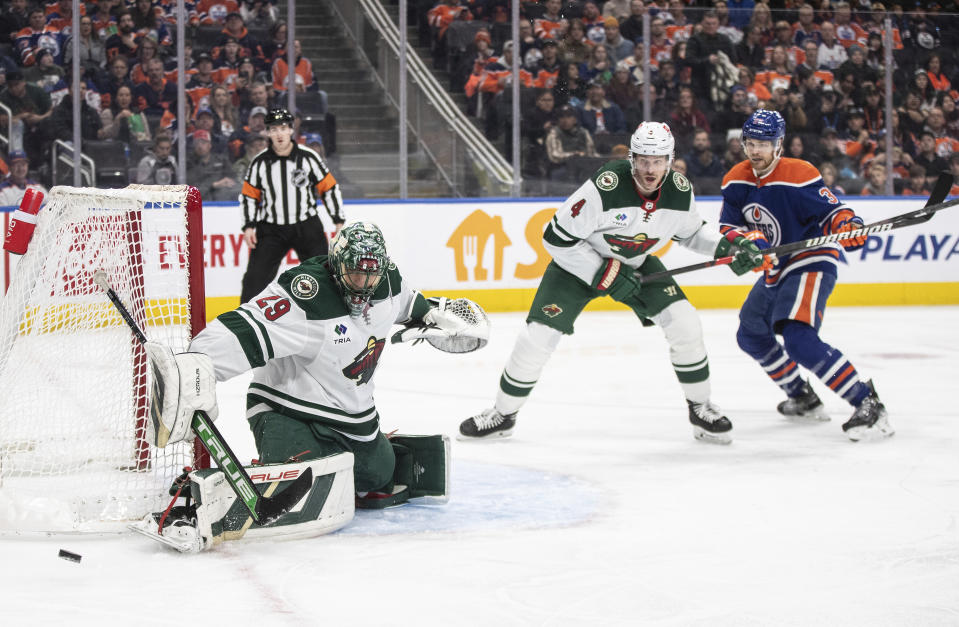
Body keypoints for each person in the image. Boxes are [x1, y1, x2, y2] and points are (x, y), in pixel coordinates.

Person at [136, 222, 465, 548]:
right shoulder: (305, 295)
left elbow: (412, 304)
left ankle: (346, 459)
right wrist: (198, 365)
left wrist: (440, 315)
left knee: (378, 475)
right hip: (286, 409)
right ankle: (205, 496)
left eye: (370, 276)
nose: (363, 286)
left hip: (352, 419)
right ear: (336, 266)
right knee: (295, 481)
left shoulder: (387, 281)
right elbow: (242, 327)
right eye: (354, 275)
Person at [459, 121, 766, 444]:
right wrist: (602, 272)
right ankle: (503, 415)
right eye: (644, 160)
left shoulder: (679, 190)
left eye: (658, 160)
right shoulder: (605, 187)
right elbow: (555, 238)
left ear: (670, 159)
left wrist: (731, 247)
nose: (650, 169)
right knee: (537, 338)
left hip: (635, 267)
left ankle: (701, 408)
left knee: (685, 323)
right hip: (575, 270)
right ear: (632, 158)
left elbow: (690, 231)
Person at [720, 109, 892, 442]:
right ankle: (802, 397)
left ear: (779, 144)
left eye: (764, 144)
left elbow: (834, 212)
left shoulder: (799, 174)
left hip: (810, 259)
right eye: (751, 143)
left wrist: (847, 227)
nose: (756, 151)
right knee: (751, 334)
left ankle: (867, 402)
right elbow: (729, 226)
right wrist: (744, 242)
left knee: (797, 337)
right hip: (776, 268)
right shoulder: (735, 179)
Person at [239, 108, 345, 303]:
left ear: (291, 130)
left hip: (306, 225)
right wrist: (249, 225)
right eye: (273, 129)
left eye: (283, 128)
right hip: (271, 228)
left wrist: (338, 220)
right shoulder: (260, 162)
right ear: (268, 132)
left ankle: (335, 311)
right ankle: (245, 321)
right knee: (254, 279)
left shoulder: (308, 157)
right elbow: (249, 195)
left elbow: (328, 187)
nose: (279, 134)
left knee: (326, 273)